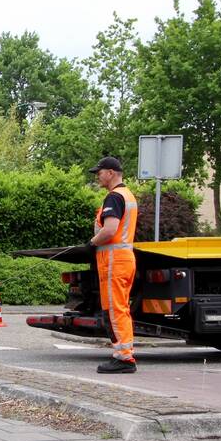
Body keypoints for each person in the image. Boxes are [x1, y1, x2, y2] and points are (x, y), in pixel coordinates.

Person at [87, 156, 138, 374]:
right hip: (123, 260)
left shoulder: (114, 197)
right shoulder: (127, 195)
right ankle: (124, 354)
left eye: (99, 173)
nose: (97, 177)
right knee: (120, 308)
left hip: (114, 262)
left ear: (110, 173)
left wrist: (91, 243)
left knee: (115, 309)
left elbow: (109, 230)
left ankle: (124, 358)